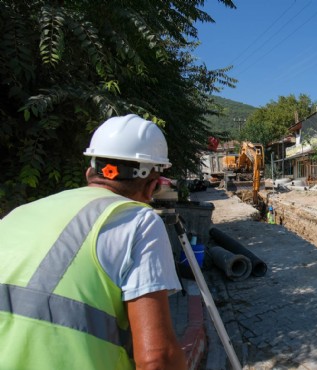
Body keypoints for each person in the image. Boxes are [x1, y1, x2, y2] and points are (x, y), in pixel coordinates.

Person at [0, 114, 187, 369]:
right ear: (152, 186)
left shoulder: (20, 213)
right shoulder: (138, 222)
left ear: (90, 171)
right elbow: (157, 359)